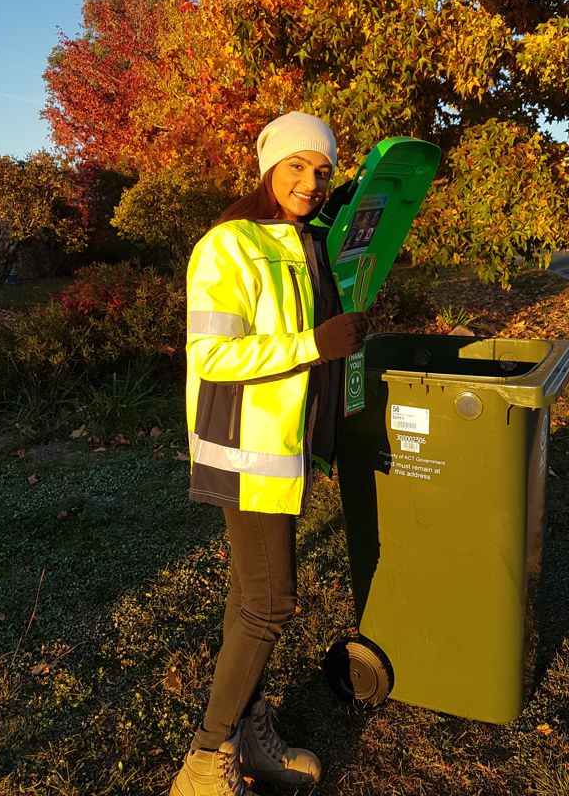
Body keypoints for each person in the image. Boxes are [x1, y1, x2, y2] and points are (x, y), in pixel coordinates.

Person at [172, 112, 367, 796]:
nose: (310, 182)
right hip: (245, 447)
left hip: (286, 449)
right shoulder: (229, 245)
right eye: (296, 166)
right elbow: (213, 355)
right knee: (271, 602)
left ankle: (247, 731)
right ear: (268, 168)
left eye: (322, 171)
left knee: (251, 597)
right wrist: (316, 344)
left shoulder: (302, 244)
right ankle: (202, 764)